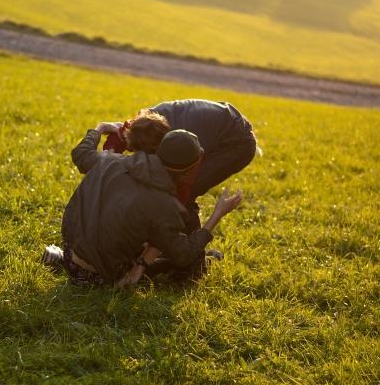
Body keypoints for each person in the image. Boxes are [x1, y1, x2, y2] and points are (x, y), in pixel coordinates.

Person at [48, 123, 242, 287]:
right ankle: (205, 259)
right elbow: (184, 254)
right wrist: (217, 215)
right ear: (189, 170)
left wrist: (99, 128)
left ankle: (60, 259)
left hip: (70, 253)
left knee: (147, 232)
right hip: (97, 277)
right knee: (176, 259)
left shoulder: (111, 160)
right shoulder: (166, 205)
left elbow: (81, 155)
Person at [100, 99, 261, 232]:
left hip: (237, 142)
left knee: (181, 193)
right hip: (219, 122)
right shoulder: (146, 124)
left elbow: (183, 190)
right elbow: (118, 137)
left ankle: (192, 257)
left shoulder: (184, 144)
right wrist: (109, 161)